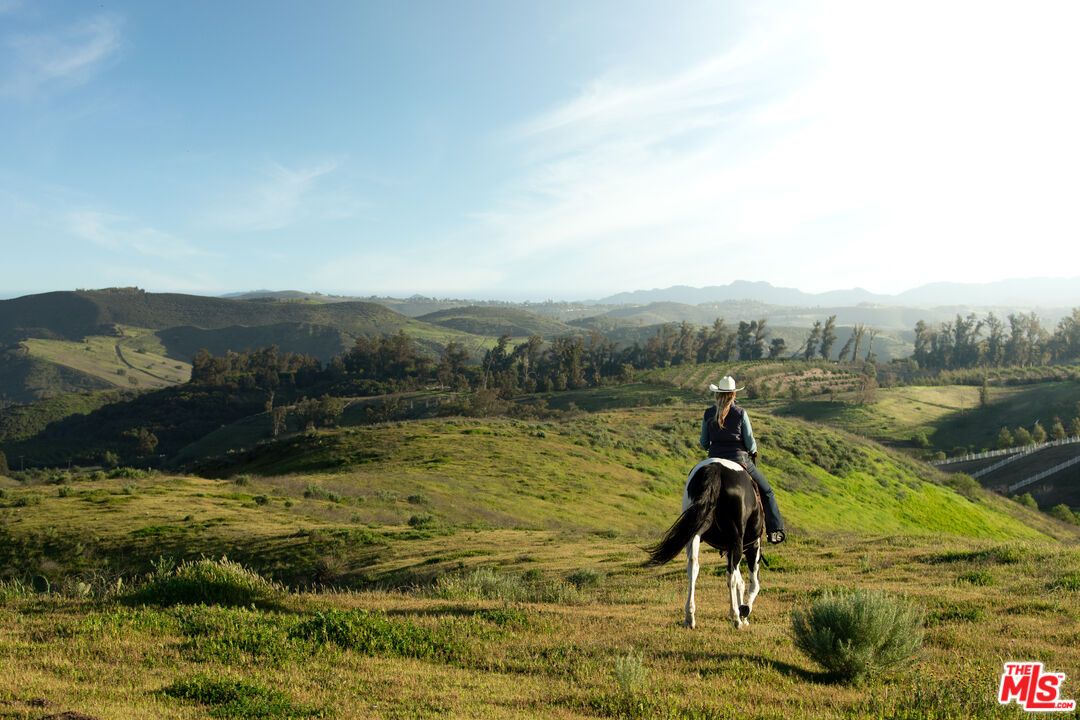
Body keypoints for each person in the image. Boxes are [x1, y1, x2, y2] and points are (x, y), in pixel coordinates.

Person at [699, 375, 786, 544]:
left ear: (717, 394)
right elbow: (749, 441)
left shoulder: (708, 413)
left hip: (714, 458)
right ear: (734, 394)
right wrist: (753, 450)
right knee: (767, 492)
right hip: (739, 459)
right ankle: (774, 530)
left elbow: (703, 442)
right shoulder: (740, 413)